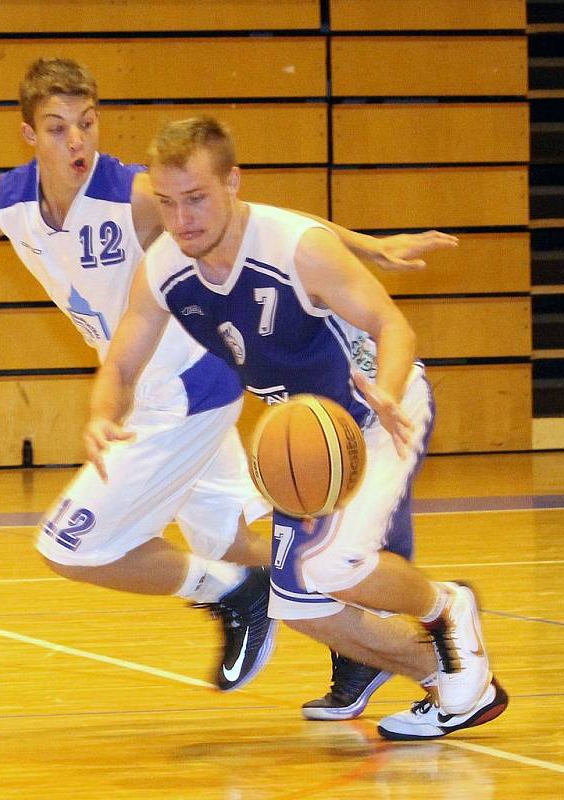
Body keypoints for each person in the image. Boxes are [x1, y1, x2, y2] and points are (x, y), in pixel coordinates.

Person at [0, 57, 455, 707]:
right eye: (58, 128)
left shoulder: (132, 193)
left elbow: (247, 215)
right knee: (237, 541)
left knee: (73, 547)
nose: (77, 142)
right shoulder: (6, 202)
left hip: (185, 390)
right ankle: (356, 648)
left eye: (87, 123)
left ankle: (236, 594)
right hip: (142, 391)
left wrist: (366, 247)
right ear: (29, 135)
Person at [84, 115, 509, 740]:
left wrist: (387, 392)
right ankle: (437, 681)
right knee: (295, 601)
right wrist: (100, 414)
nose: (182, 220)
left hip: (378, 413)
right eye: (168, 204)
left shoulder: (297, 247)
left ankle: (447, 607)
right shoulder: (166, 267)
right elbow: (121, 362)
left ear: (234, 183)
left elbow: (394, 327)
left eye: (197, 199)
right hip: (312, 438)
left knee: (332, 566)